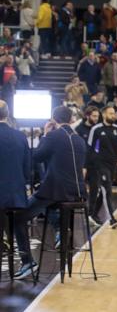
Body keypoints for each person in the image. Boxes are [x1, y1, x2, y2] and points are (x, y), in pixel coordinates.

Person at [13, 106, 88, 280]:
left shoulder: (53, 136)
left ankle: (27, 261)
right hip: (77, 192)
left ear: (54, 119)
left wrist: (45, 135)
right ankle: (59, 231)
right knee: (49, 204)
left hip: (56, 190)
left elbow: (37, 157)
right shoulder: (80, 140)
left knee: (18, 218)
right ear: (70, 119)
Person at [87, 105, 117, 228]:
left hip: (112, 165)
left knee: (104, 191)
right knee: (107, 190)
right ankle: (111, 219)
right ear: (104, 114)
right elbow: (90, 149)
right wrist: (86, 167)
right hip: (99, 165)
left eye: (114, 113)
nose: (113, 115)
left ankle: (92, 214)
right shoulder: (96, 129)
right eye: (111, 113)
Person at [0, 100, 31, 274]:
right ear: (8, 114)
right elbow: (27, 168)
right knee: (19, 224)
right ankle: (27, 260)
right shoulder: (20, 136)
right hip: (16, 194)